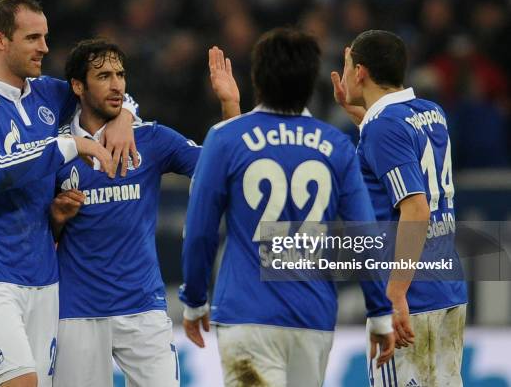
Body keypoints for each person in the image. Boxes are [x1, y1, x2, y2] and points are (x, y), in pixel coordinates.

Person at [0, 0, 140, 387]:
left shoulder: (50, 93)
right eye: (33, 38)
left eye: (45, 37)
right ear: (0, 40)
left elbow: (107, 92)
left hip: (44, 276)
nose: (45, 48)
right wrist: (70, 145)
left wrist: (126, 117)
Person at [179, 27, 394, 387]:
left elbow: (200, 230)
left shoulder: (225, 138)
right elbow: (364, 235)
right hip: (312, 317)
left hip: (246, 316)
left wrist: (195, 299)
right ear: (311, 82)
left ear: (256, 78)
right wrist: (380, 312)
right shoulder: (336, 145)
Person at [49, 38, 205, 387]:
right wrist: (55, 219)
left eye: (120, 74)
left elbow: (219, 167)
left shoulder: (150, 139)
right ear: (77, 86)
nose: (117, 83)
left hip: (143, 308)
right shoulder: (57, 151)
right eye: (103, 76)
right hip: (77, 312)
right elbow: (35, 232)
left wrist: (229, 106)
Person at [331, 29, 467, 386]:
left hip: (412, 298)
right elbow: (397, 148)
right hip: (447, 290)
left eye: (346, 65)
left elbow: (416, 210)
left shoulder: (382, 128)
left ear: (359, 72)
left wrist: (394, 295)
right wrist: (361, 115)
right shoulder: (430, 112)